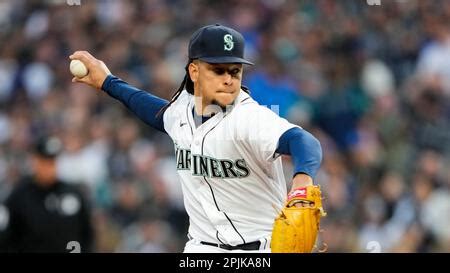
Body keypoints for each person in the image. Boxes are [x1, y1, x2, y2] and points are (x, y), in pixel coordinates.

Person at [69, 24, 323, 253]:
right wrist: (108, 82)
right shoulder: (182, 109)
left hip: (261, 249)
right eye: (218, 70)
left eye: (235, 71)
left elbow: (303, 141)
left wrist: (301, 183)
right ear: (194, 70)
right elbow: (158, 114)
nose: (228, 79)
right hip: (201, 248)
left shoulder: (249, 117)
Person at [0, 136, 94, 253]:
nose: (49, 167)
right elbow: (6, 237)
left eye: (52, 162)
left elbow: (86, 234)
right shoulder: (20, 195)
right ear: (35, 161)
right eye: (44, 161)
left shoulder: (72, 194)